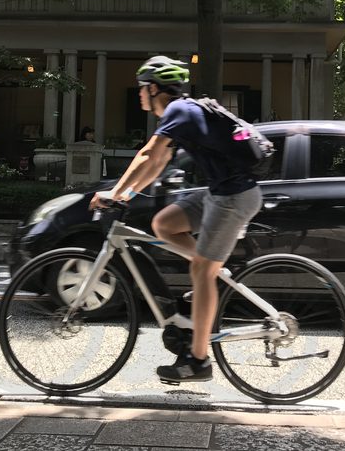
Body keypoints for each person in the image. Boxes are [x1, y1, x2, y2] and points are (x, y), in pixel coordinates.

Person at [88, 55, 262, 383]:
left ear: (154, 88)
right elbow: (157, 163)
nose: (140, 93)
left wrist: (115, 192)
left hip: (235, 196)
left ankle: (198, 361)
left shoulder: (179, 110)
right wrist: (126, 195)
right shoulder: (180, 115)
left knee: (201, 272)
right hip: (219, 193)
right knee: (164, 224)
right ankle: (211, 271)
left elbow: (148, 154)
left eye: (142, 87)